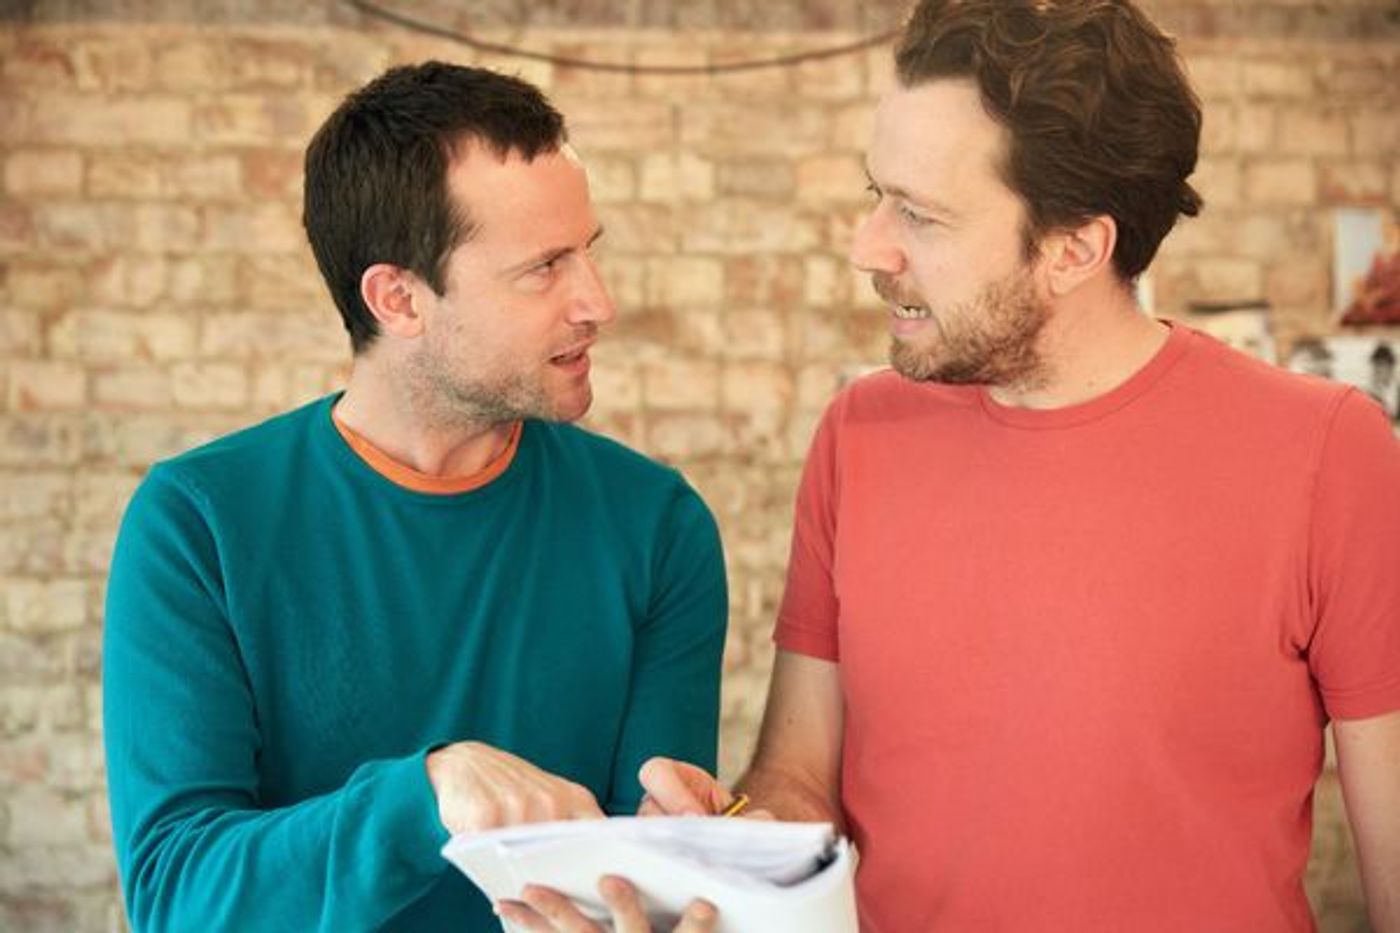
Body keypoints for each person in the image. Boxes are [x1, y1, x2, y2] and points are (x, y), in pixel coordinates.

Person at [635, 1, 1400, 931]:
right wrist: (737, 840)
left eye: (920, 215)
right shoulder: (858, 434)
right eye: (877, 193)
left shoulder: (1327, 451)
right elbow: (799, 777)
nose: (867, 247)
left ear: (1075, 249)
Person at [102, 62, 728, 932]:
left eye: (590, 250)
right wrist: (424, 796)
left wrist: (676, 863)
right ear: (398, 299)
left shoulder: (658, 527)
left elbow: (641, 881)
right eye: (545, 267)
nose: (599, 302)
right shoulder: (196, 525)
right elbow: (178, 899)